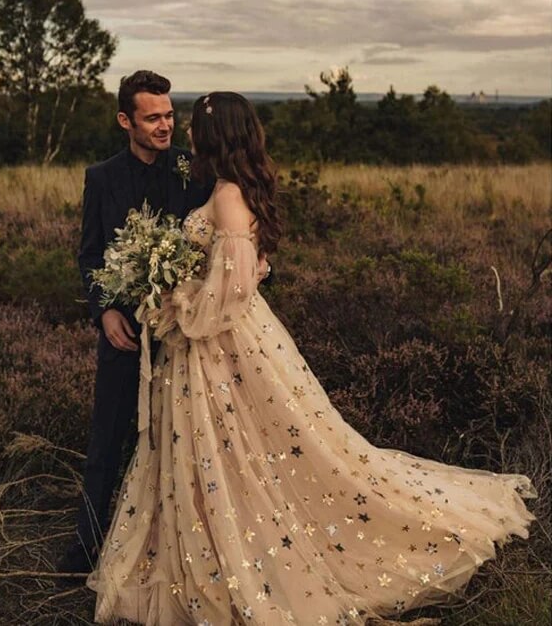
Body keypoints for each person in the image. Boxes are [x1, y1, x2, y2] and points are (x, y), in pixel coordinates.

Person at [87, 92, 535, 626]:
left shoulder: (228, 196)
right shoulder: (231, 188)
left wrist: (173, 306)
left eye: (191, 125)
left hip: (218, 346)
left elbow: (230, 292)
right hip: (218, 346)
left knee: (243, 451)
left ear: (216, 134)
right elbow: (246, 270)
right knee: (231, 451)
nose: (182, 132)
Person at [59, 71, 212, 576]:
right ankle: (85, 547)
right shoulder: (101, 178)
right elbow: (90, 253)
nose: (165, 125)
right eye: (153, 117)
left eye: (169, 115)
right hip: (123, 332)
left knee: (181, 439)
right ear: (126, 120)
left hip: (183, 333)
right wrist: (104, 310)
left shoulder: (193, 169)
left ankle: (172, 547)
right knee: (107, 437)